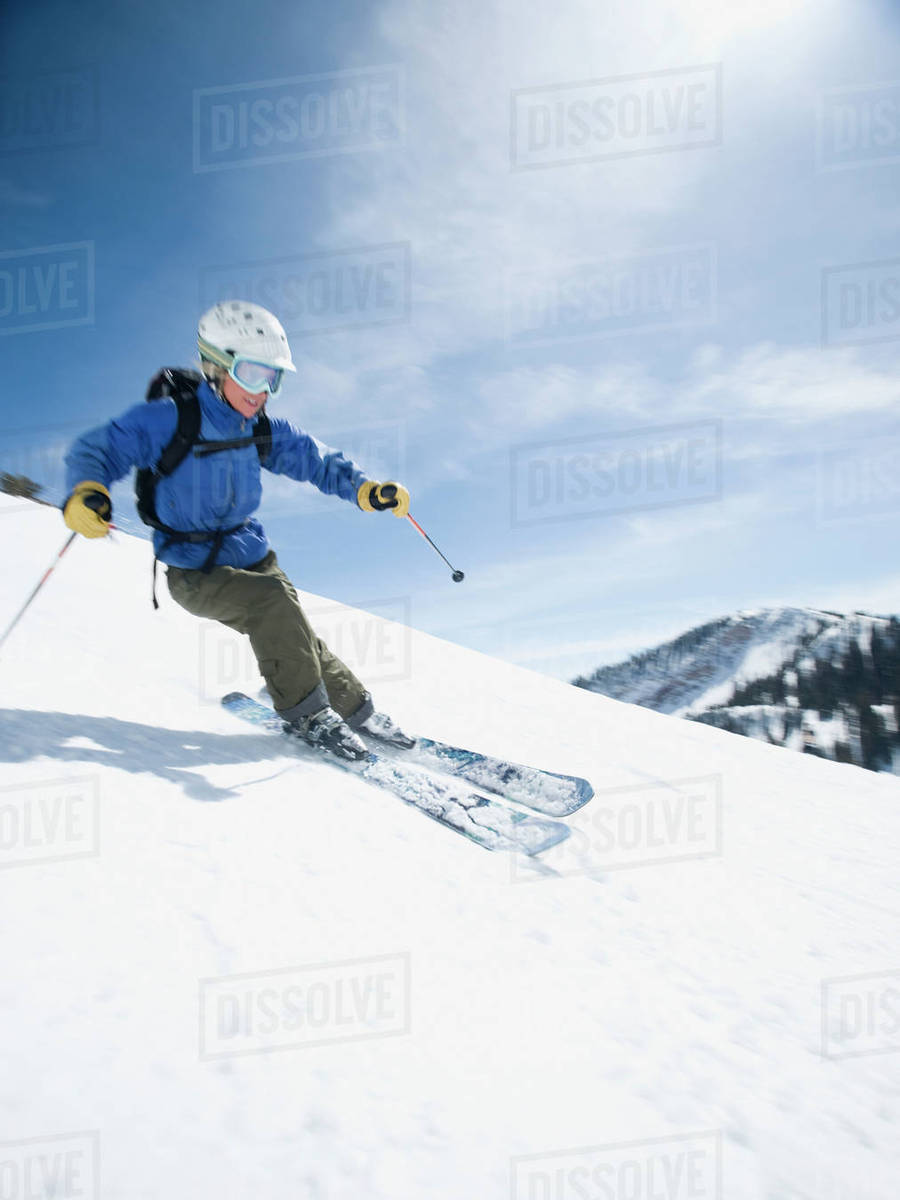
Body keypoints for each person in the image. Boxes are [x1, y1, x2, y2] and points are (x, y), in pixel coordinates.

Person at [62, 299, 410, 761]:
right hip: (195, 571)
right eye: (251, 373)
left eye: (273, 378)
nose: (261, 391)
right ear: (215, 366)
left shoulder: (260, 428)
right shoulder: (170, 419)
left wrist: (365, 488)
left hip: (252, 554)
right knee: (274, 604)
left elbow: (316, 459)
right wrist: (87, 491)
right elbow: (97, 449)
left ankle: (355, 710)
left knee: (294, 629)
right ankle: (306, 714)